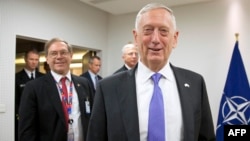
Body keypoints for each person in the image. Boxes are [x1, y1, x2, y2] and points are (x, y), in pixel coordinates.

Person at [87, 3, 215, 141]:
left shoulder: (195, 84)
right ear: (136, 37)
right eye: (148, 30)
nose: (155, 39)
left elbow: (206, 137)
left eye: (164, 31)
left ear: (175, 38)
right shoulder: (108, 88)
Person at [18, 37, 94, 141]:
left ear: (71, 56)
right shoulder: (33, 88)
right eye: (53, 53)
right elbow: (27, 131)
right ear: (47, 58)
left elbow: (93, 119)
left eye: (63, 52)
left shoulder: (84, 83)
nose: (59, 57)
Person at [15, 48, 45, 141]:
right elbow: (16, 101)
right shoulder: (17, 77)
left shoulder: (43, 77)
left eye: (36, 60)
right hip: (25, 119)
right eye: (31, 59)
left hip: (41, 119)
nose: (34, 62)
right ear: (25, 59)